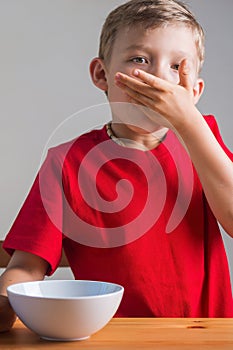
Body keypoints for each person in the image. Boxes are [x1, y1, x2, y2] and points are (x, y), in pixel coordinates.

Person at [1, 0, 233, 332]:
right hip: (110, 337)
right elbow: (26, 264)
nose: (158, 79)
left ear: (194, 91)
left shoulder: (204, 142)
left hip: (205, 334)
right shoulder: (67, 162)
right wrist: (7, 301)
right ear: (102, 74)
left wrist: (190, 124)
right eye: (140, 60)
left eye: (177, 67)